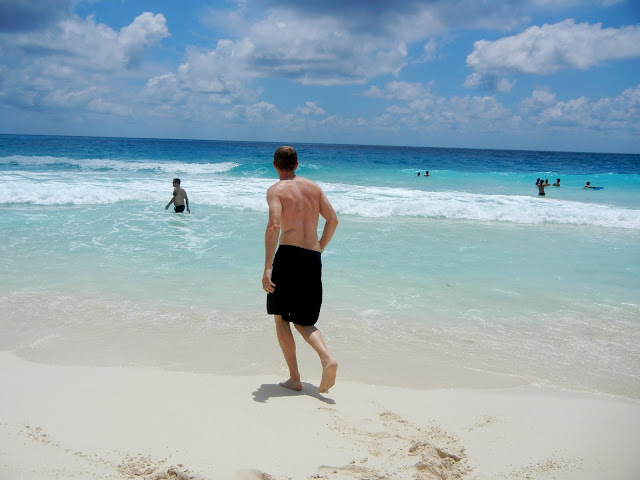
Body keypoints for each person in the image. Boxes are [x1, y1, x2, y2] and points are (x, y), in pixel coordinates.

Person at [263, 146, 339, 394]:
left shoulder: (276, 190)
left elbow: (274, 226)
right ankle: (327, 358)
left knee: (281, 317)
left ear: (275, 165)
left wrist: (267, 267)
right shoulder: (313, 188)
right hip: (312, 257)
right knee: (304, 321)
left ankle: (295, 378)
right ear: (297, 165)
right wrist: (320, 248)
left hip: (288, 256)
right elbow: (333, 220)